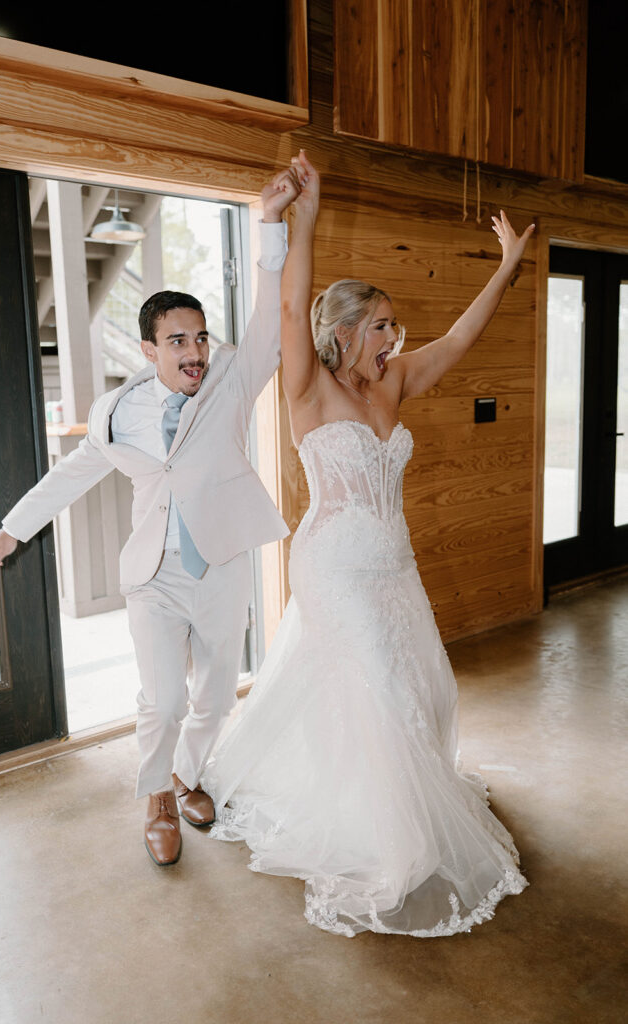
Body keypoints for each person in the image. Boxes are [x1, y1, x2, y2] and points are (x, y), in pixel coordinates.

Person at [202, 152, 535, 937]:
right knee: (381, 687)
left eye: (395, 326)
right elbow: (291, 309)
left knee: (422, 686)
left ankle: (375, 793)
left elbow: (462, 336)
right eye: (383, 324)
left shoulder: (394, 380)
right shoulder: (306, 387)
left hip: (394, 562)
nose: (395, 336)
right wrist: (303, 217)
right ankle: (392, 844)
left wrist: (507, 267)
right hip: (335, 565)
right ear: (346, 329)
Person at [0, 163, 305, 867]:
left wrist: (271, 223)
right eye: (177, 341)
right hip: (153, 573)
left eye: (200, 337)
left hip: (221, 562)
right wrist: (10, 530)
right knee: (162, 698)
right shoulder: (117, 411)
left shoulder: (232, 381)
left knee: (214, 695)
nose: (194, 352)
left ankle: (187, 774)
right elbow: (72, 474)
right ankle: (157, 798)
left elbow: (270, 319)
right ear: (149, 349)